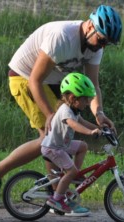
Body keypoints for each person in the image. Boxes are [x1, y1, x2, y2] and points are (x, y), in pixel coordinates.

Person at [0, 4, 122, 216]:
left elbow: (93, 86)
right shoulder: (62, 37)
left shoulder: (95, 47)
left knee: (58, 140)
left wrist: (100, 114)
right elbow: (34, 79)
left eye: (107, 43)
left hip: (54, 82)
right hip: (24, 77)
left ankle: (57, 192)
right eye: (103, 40)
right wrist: (51, 115)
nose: (103, 46)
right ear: (90, 27)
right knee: (49, 138)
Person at [42, 72, 101, 213]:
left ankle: (75, 174)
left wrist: (100, 128)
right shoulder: (65, 111)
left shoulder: (74, 110)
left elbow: (83, 122)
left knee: (83, 146)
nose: (88, 103)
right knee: (71, 171)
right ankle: (56, 199)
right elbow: (74, 124)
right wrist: (89, 132)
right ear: (73, 98)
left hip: (62, 146)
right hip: (53, 148)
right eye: (86, 100)